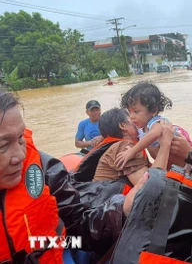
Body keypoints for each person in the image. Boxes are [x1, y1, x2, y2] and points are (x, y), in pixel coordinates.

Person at [0, 87, 148, 263]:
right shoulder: (120, 146)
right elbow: (78, 142)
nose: (21, 156)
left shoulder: (44, 168)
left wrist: (121, 210)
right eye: (3, 146)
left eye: (20, 139)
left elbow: (78, 228)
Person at [114, 81, 192, 169]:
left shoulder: (156, 122)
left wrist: (132, 152)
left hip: (185, 165)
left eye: (136, 111)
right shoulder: (142, 128)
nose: (131, 117)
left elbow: (154, 134)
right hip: (171, 165)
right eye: (129, 112)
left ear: (153, 110)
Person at [93, 108, 173, 185]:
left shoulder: (114, 146)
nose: (139, 126)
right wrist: (165, 144)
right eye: (133, 122)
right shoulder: (125, 147)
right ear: (123, 126)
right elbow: (151, 186)